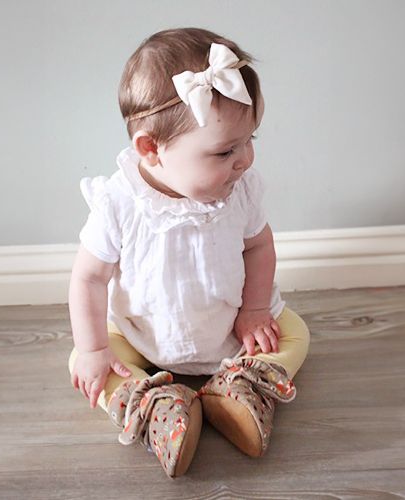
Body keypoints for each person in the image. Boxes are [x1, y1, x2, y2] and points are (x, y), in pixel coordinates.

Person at [68, 27, 310, 479]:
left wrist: (256, 308)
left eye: (250, 140)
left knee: (294, 332)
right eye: (225, 152)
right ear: (151, 149)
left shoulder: (239, 191)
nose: (245, 161)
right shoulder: (119, 204)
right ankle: (157, 406)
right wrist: (93, 348)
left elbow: (258, 245)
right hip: (143, 335)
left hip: (231, 327)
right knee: (87, 358)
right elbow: (89, 278)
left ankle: (239, 388)